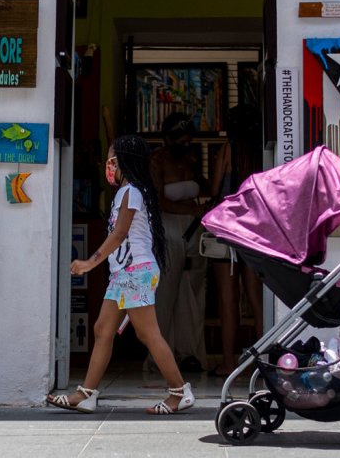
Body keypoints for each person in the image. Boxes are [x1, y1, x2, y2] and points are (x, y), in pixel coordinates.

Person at [47, 135, 195, 415]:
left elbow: (119, 234)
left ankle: (179, 391)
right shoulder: (126, 192)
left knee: (148, 333)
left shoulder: (132, 192)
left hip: (135, 271)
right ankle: (86, 394)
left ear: (125, 161)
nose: (109, 164)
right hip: (124, 274)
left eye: (113, 158)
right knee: (103, 330)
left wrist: (90, 263)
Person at [207, 104, 265, 377]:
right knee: (256, 297)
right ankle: (265, 358)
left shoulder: (228, 150)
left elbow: (214, 188)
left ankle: (229, 363)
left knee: (227, 299)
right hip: (255, 231)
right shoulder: (260, 150)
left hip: (227, 230)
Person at [150, 113, 208, 373]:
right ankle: (161, 352)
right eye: (179, 141)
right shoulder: (156, 161)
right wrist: (192, 212)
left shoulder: (191, 160)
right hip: (168, 227)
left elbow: (205, 188)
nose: (184, 146)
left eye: (188, 141)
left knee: (192, 291)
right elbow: (157, 200)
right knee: (166, 291)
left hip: (194, 230)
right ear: (166, 139)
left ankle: (189, 352)